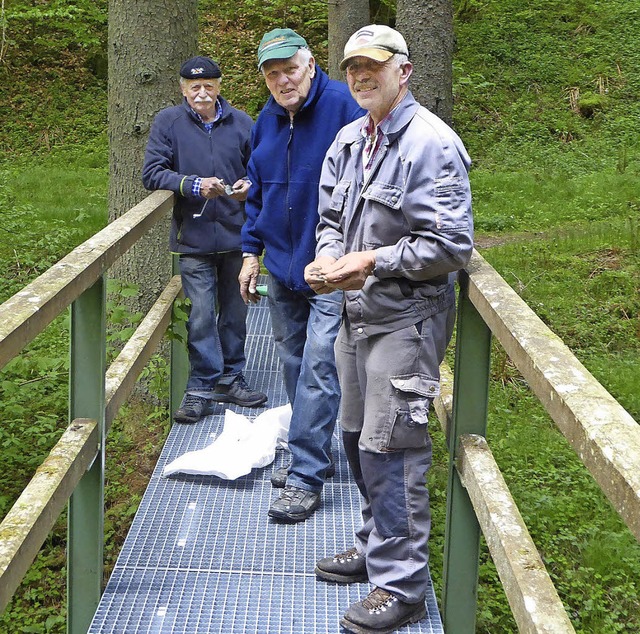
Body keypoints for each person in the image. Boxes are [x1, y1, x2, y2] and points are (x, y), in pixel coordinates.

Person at [305, 25, 474, 634]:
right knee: (356, 437)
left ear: (404, 71)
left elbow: (452, 245)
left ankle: (402, 585)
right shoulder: (351, 140)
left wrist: (370, 261)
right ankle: (377, 545)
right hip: (354, 314)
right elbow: (329, 216)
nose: (360, 76)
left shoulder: (432, 144)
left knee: (394, 448)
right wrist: (329, 257)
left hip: (407, 320)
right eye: (351, 67)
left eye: (374, 65)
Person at [239, 29, 364, 522]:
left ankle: (306, 473)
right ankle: (310, 447)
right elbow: (257, 194)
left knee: (319, 364)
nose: (283, 80)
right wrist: (251, 253)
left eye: (290, 68)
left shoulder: (343, 107)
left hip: (331, 267)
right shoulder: (266, 121)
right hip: (282, 266)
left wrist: (351, 256)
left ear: (310, 64)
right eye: (272, 73)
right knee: (292, 359)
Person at [143, 55, 267, 425]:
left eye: (208, 85)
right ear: (183, 89)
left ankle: (232, 378)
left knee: (236, 312)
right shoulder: (169, 122)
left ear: (219, 85)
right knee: (200, 316)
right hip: (193, 237)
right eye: (193, 86)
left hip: (237, 235)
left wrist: (249, 186)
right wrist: (194, 185)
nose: (201, 92)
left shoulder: (242, 122)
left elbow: (260, 170)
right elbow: (152, 173)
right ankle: (200, 387)